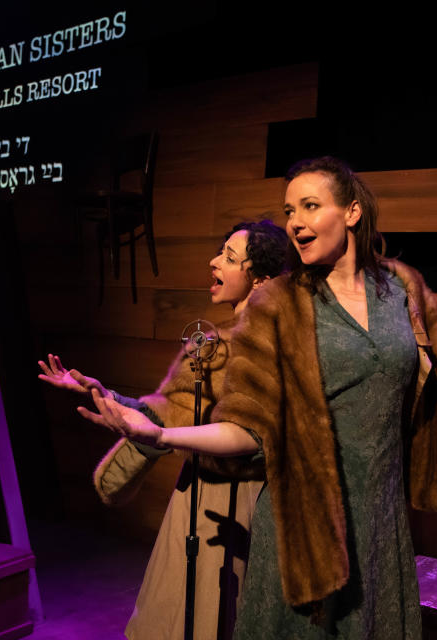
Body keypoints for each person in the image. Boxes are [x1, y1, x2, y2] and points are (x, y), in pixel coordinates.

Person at [78, 156, 437, 638]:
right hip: (304, 529)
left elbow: (414, 390)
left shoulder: (400, 291)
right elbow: (249, 428)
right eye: (289, 210)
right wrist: (160, 432)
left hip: (380, 523)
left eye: (309, 205)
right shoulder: (279, 305)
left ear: (351, 212)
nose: (295, 222)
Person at [38, 219, 289, 640]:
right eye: (219, 251)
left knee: (222, 610)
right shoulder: (211, 344)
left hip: (242, 502)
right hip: (193, 498)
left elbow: (253, 434)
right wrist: (108, 396)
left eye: (229, 257)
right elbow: (172, 411)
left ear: (260, 280)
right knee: (175, 611)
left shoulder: (274, 346)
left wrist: (160, 435)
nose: (213, 262)